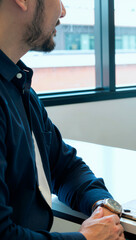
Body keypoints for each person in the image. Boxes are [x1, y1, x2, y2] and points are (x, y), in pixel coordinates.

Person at [0, 0, 125, 239]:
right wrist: (87, 238)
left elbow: (65, 168)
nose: (64, 11)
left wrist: (102, 205)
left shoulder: (18, 85)